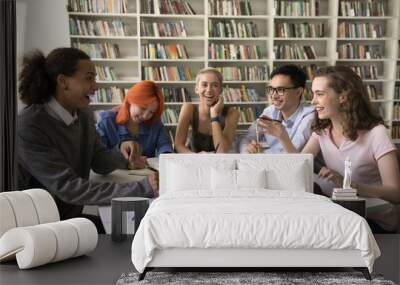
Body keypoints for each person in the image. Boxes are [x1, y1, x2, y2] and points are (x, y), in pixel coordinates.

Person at [17, 47, 158, 231]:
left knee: (134, 231)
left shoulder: (83, 115)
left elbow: (99, 162)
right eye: (89, 78)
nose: (95, 86)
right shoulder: (29, 125)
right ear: (63, 81)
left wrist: (121, 152)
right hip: (35, 230)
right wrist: (142, 187)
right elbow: (69, 188)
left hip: (69, 220)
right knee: (127, 236)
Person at [261, 65, 400, 233]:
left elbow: (395, 193)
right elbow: (298, 167)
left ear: (343, 96)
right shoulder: (322, 132)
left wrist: (350, 185)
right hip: (343, 213)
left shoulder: (376, 134)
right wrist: (283, 137)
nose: (313, 101)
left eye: (320, 94)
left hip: (374, 220)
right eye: (313, 94)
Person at [96, 80, 173, 168]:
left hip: (146, 176)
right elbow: (99, 159)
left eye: (151, 112)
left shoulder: (154, 122)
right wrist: (125, 162)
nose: (145, 116)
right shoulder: (106, 121)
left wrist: (165, 158)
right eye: (143, 108)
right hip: (115, 177)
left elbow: (164, 144)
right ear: (130, 100)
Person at [240, 64, 315, 154]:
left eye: (280, 90)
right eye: (271, 89)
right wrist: (248, 150)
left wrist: (264, 153)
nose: (274, 96)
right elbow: (247, 139)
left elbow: (294, 159)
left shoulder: (310, 117)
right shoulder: (270, 111)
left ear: (298, 92)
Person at [175, 67, 239, 153]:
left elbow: (222, 151)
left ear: (220, 90)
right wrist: (197, 159)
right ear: (196, 89)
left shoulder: (232, 113)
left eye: (215, 85)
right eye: (204, 85)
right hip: (192, 160)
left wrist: (214, 115)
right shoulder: (188, 108)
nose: (209, 90)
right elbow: (178, 145)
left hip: (219, 163)